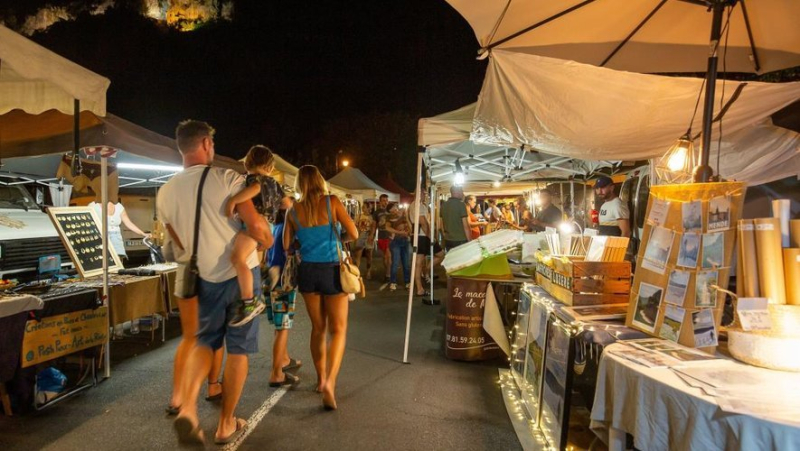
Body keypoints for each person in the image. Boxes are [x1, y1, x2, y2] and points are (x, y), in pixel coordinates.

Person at [158, 120, 272, 445]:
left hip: (203, 278)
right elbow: (259, 229)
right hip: (240, 278)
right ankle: (225, 424)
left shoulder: (165, 191)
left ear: (182, 147)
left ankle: (189, 410)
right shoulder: (228, 178)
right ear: (207, 143)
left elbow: (178, 246)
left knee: (205, 343)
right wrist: (263, 243)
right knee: (238, 350)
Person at [283, 165, 358, 411]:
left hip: (308, 272)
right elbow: (354, 233)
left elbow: (287, 246)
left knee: (318, 328)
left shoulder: (292, 211)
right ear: (320, 181)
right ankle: (330, 382)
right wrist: (338, 237)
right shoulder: (332, 202)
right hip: (333, 269)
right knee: (338, 330)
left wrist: (302, 239)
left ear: (298, 185)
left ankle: (319, 378)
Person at [225, 145, 283, 327]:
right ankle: (266, 271)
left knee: (237, 258)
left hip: (256, 223)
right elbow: (286, 203)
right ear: (271, 167)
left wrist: (235, 200)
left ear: (248, 163)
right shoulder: (274, 183)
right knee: (250, 259)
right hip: (269, 224)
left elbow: (256, 188)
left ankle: (250, 303)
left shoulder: (254, 179)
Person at [265, 196, 302, 387]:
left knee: (279, 326)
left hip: (270, 279)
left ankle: (285, 359)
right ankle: (276, 373)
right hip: (283, 282)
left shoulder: (275, 227)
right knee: (283, 328)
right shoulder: (288, 232)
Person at [412, 193, 443, 297]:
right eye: (423, 193)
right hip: (422, 236)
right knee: (440, 254)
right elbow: (423, 222)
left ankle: (420, 286)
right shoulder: (418, 205)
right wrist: (431, 237)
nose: (425, 195)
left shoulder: (416, 205)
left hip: (418, 236)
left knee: (418, 263)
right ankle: (426, 273)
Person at [384, 203, 411, 291]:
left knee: (406, 263)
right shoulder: (389, 217)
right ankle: (393, 282)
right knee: (395, 262)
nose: (396, 209)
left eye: (396, 207)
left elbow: (409, 227)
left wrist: (406, 216)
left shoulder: (403, 216)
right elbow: (387, 228)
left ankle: (407, 282)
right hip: (395, 242)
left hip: (405, 241)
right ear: (390, 210)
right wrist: (399, 232)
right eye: (394, 208)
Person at [440, 186, 471, 250]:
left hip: (448, 239)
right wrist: (470, 241)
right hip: (460, 239)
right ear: (457, 192)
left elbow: (441, 225)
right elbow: (466, 226)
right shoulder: (461, 205)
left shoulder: (443, 205)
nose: (463, 193)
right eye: (461, 191)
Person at [371, 194, 392, 283]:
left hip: (390, 236)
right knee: (384, 257)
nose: (385, 202)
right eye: (383, 200)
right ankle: (387, 272)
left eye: (386, 200)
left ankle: (388, 274)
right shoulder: (376, 212)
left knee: (388, 255)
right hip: (381, 236)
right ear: (380, 202)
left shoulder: (391, 211)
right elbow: (374, 226)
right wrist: (371, 235)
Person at [352, 202, 375, 279]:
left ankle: (368, 271)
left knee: (369, 255)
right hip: (360, 236)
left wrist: (371, 236)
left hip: (369, 237)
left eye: (364, 207)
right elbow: (355, 226)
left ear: (369, 208)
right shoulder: (359, 216)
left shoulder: (372, 217)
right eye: (362, 207)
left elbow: (374, 227)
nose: (362, 208)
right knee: (357, 255)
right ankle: (357, 272)